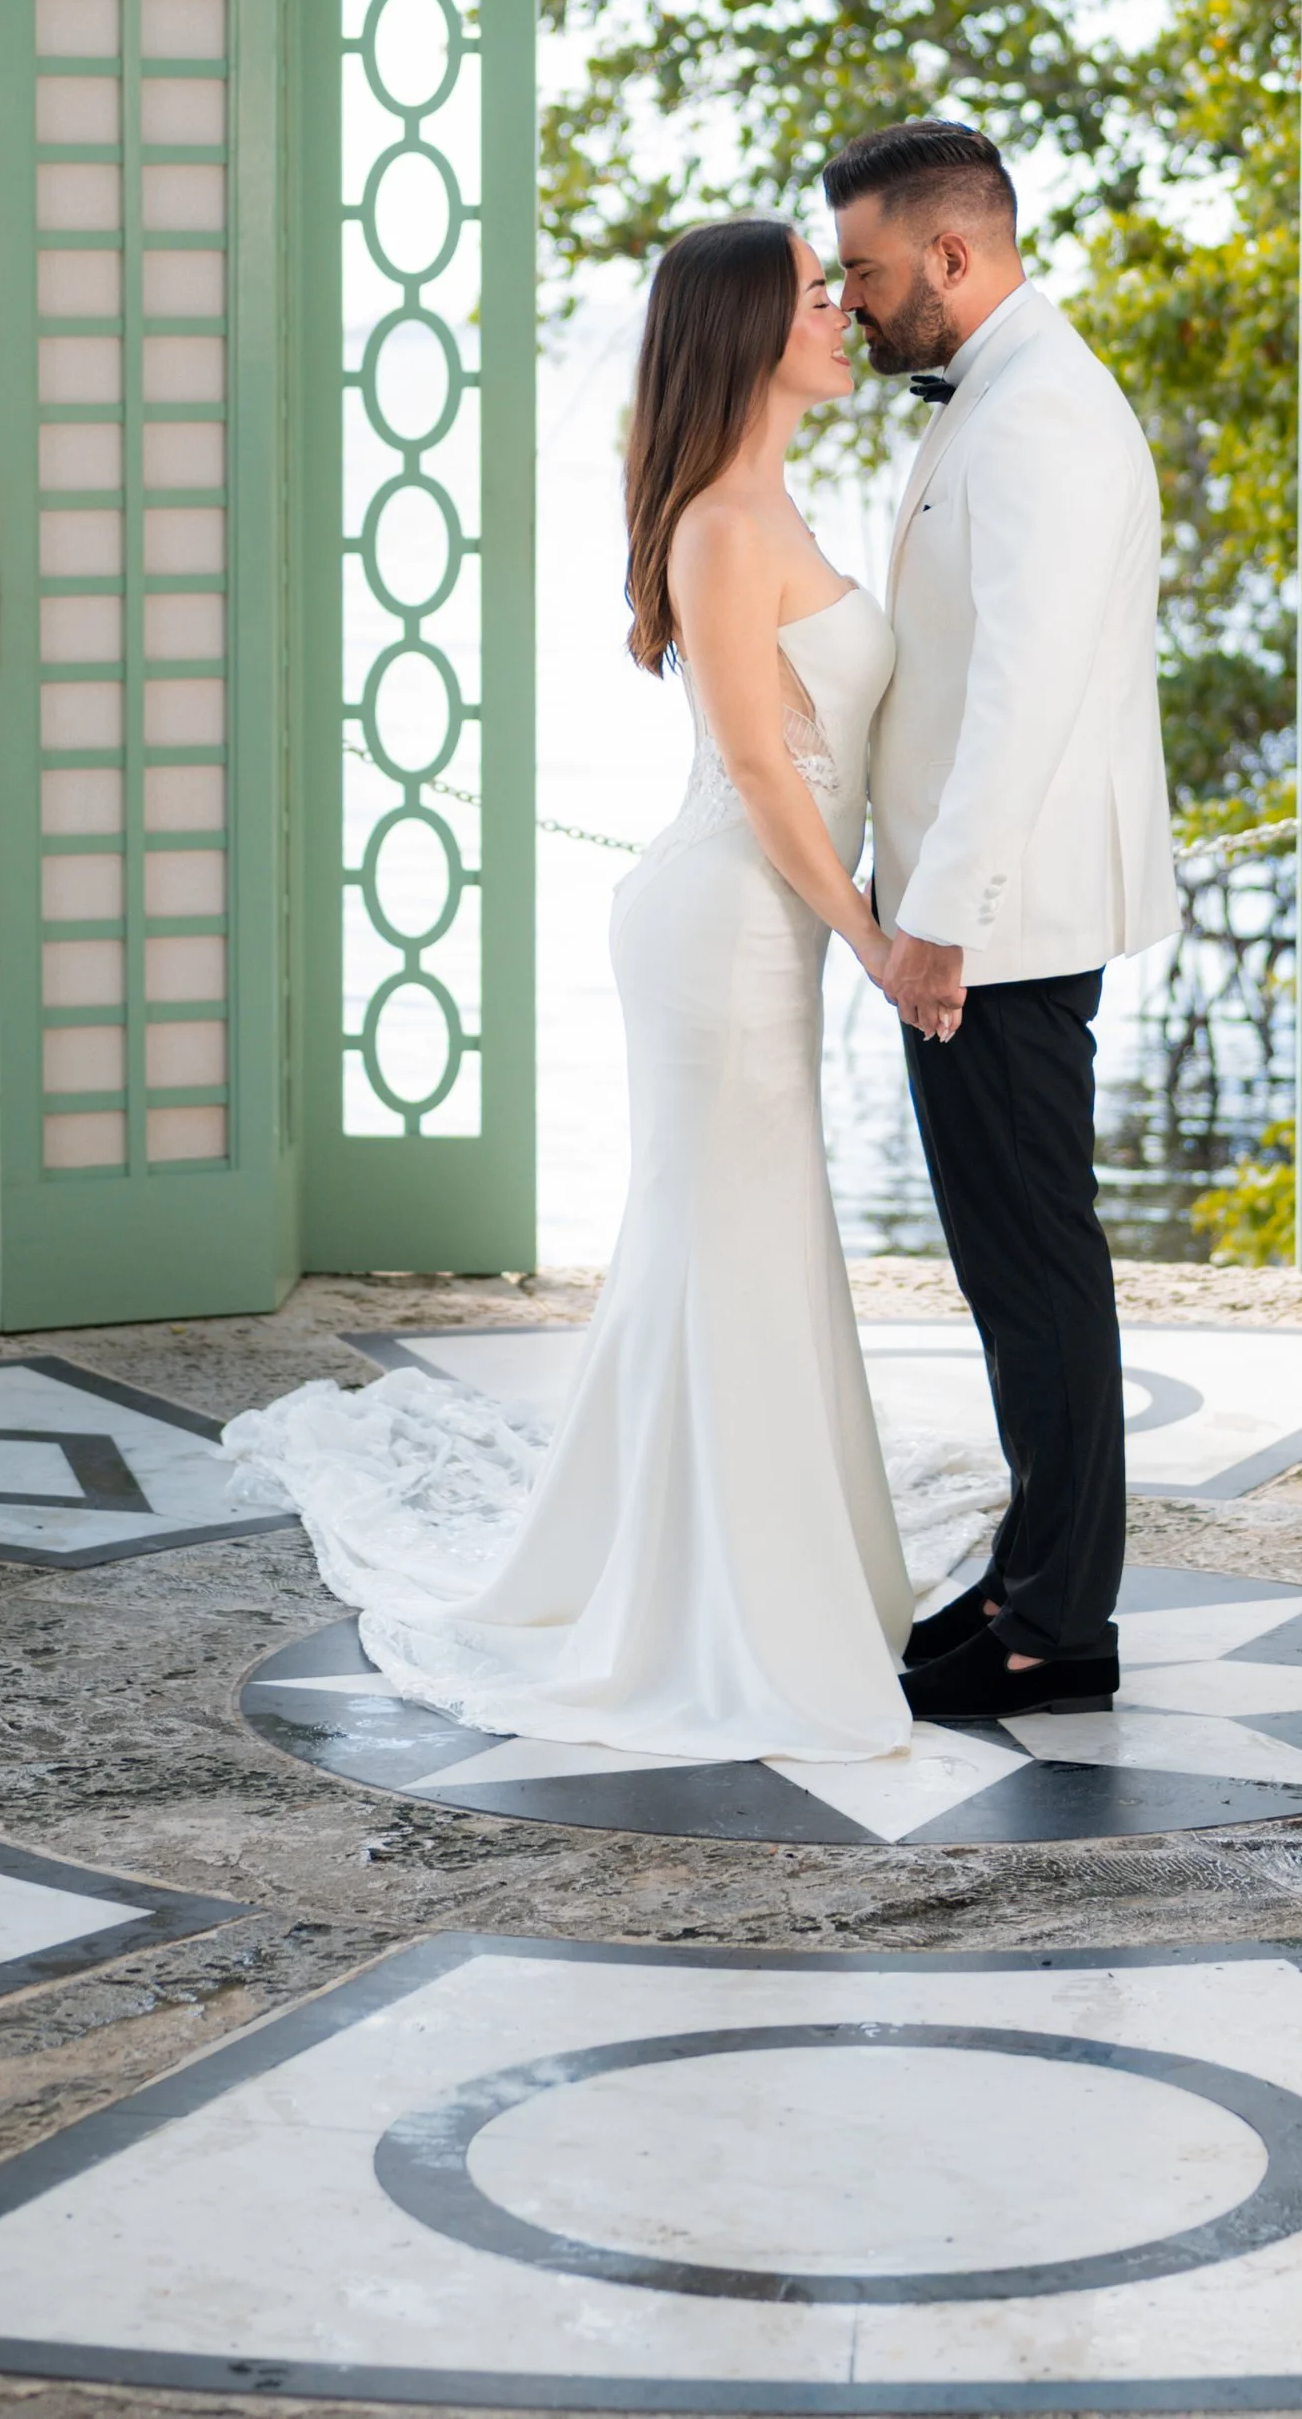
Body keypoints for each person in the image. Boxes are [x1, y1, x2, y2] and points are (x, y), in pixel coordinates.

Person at [227, 218, 981, 1766]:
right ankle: (710, 1593)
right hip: (720, 928)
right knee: (727, 1237)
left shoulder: (775, 498)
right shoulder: (718, 525)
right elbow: (763, 771)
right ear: (747, 333)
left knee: (738, 1238)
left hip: (761, 926)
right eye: (815, 295)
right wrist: (871, 934)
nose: (845, 312)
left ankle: (768, 1553)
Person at [823, 120, 1176, 1726]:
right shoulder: (1007, 392)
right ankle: (1041, 1579)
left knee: (1037, 1270)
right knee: (1017, 1267)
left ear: (953, 256)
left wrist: (935, 921)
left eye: (873, 273)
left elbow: (1025, 697)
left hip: (1003, 927)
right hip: (985, 912)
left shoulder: (1039, 420)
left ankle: (1058, 1629)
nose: (857, 301)